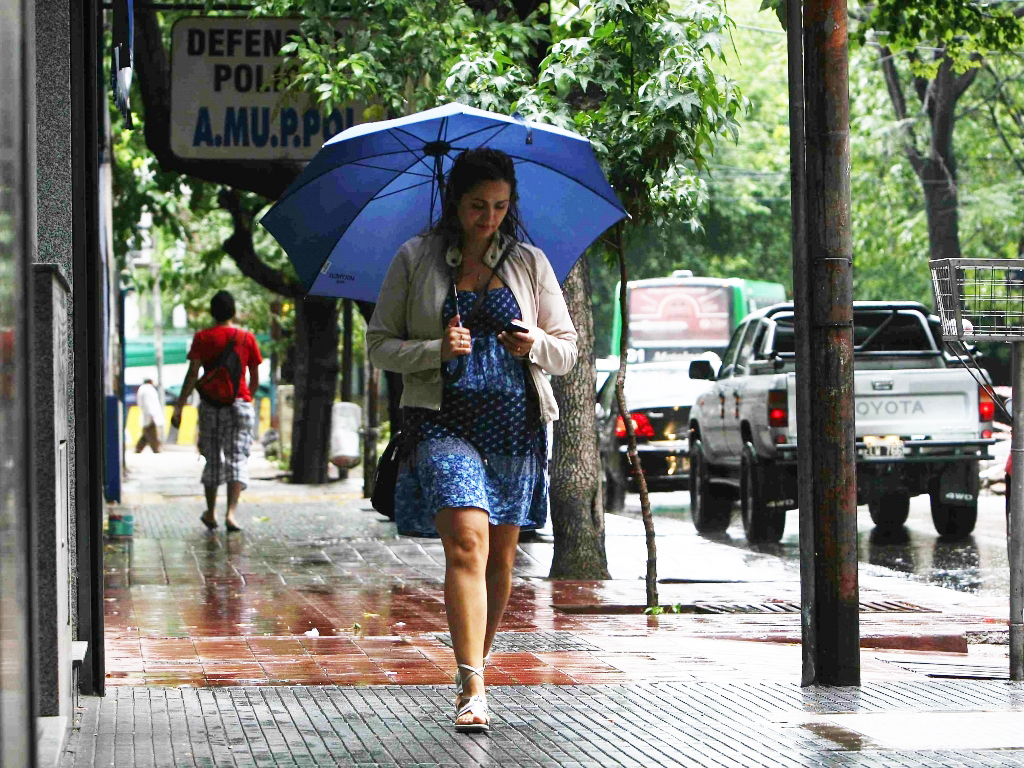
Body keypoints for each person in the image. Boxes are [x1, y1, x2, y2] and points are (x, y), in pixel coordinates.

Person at [367, 148, 578, 732]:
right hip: (442, 421)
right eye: (478, 206)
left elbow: (567, 350)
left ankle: (475, 659)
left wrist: (531, 341)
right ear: (454, 203)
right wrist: (434, 349)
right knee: (467, 541)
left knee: (501, 555)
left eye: (500, 206)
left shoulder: (530, 264)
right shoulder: (415, 258)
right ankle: (472, 685)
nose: (489, 218)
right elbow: (379, 343)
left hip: (516, 425)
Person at [172, 290, 262, 533]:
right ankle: (231, 514)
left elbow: (193, 374)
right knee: (237, 457)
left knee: (212, 458)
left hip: (211, 405)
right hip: (238, 404)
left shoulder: (202, 337)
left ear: (212, 313)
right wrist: (246, 399)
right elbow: (254, 377)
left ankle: (211, 512)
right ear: (233, 311)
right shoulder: (246, 338)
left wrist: (180, 405)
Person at [134, 377, 165, 453]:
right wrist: (151, 414)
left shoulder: (143, 389)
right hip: (150, 414)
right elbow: (148, 403)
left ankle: (138, 448)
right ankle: (156, 449)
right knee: (152, 433)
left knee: (146, 433)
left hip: (148, 414)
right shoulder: (147, 390)